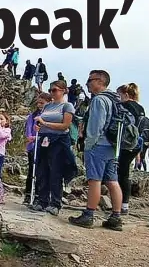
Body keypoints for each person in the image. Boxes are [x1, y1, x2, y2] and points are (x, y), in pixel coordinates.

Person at [69, 70, 123, 230]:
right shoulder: (115, 99)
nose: (87, 83)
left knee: (95, 180)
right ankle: (116, 217)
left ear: (100, 81)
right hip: (113, 147)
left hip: (98, 146)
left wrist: (88, 145)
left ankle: (88, 215)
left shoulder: (99, 100)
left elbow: (95, 127)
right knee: (113, 181)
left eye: (90, 80)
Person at [31, 80, 76, 216]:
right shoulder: (47, 107)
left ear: (63, 91)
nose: (52, 93)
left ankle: (55, 202)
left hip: (58, 140)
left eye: (55, 90)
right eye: (50, 90)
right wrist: (38, 126)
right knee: (42, 170)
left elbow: (65, 126)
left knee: (55, 171)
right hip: (44, 138)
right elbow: (41, 122)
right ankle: (42, 200)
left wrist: (45, 123)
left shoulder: (67, 106)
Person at [116, 83, 145, 215]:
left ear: (126, 94)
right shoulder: (140, 108)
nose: (118, 98)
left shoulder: (125, 105)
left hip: (125, 143)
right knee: (125, 172)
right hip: (137, 142)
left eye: (119, 95)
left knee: (121, 173)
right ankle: (124, 204)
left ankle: (120, 204)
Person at [23, 93, 52, 205]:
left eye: (42, 103)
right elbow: (29, 128)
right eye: (38, 102)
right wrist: (30, 136)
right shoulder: (33, 115)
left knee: (42, 171)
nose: (39, 105)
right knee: (32, 170)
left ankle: (40, 195)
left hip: (44, 146)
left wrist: (37, 137)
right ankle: (28, 194)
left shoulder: (49, 115)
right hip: (32, 146)